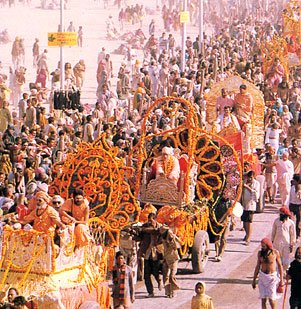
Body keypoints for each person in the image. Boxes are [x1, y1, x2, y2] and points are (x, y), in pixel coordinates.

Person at [133, 213, 163, 297]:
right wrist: (134, 235)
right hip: (146, 253)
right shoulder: (144, 227)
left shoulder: (160, 227)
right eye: (148, 220)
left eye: (151, 220)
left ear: (155, 220)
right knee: (146, 274)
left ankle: (159, 281)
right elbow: (139, 237)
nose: (149, 222)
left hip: (156, 253)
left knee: (155, 271)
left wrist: (147, 230)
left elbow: (158, 232)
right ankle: (150, 292)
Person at [252, 238, 284, 309]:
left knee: (271, 299)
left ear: (268, 246)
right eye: (262, 246)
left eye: (264, 246)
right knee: (263, 299)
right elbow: (258, 266)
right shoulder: (260, 253)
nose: (262, 248)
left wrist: (281, 280)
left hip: (272, 278)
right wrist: (254, 280)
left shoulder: (275, 253)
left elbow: (280, 267)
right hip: (262, 277)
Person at [271, 207, 296, 271]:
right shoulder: (276, 221)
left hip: (286, 244)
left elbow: (293, 234)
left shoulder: (290, 223)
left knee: (286, 262)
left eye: (282, 213)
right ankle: (278, 274)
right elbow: (273, 231)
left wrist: (292, 244)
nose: (281, 215)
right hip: (276, 243)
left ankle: (284, 272)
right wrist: (272, 241)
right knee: (276, 260)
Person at [241, 171, 260, 245]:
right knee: (244, 222)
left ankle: (248, 238)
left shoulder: (256, 183)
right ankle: (246, 234)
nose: (249, 179)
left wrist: (248, 187)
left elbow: (256, 194)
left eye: (251, 177)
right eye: (249, 177)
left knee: (249, 222)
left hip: (251, 205)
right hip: (244, 204)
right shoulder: (244, 182)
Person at [289, 174, 301, 239]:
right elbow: (290, 197)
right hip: (292, 205)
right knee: (291, 221)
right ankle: (291, 234)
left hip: (299, 206)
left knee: (299, 222)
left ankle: (297, 235)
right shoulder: (292, 188)